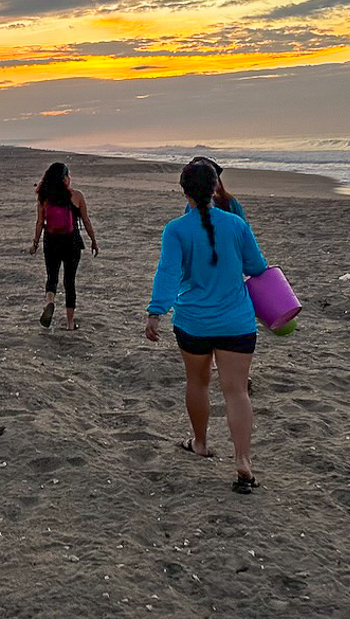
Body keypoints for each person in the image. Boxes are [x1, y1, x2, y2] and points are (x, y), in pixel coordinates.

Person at [144, 160, 269, 495]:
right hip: (236, 321)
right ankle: (243, 461)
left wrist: (156, 312)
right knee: (237, 391)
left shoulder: (176, 229)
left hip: (193, 321)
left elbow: (167, 273)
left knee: (197, 383)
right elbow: (257, 266)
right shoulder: (236, 224)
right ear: (215, 188)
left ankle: (199, 443)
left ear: (184, 191)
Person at [29, 162, 98, 330]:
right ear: (64, 178)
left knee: (52, 277)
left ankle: (50, 302)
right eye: (68, 175)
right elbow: (86, 221)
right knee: (69, 281)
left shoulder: (44, 197)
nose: (70, 178)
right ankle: (69, 323)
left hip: (51, 242)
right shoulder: (76, 196)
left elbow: (39, 223)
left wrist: (35, 243)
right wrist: (93, 241)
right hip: (71, 242)